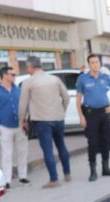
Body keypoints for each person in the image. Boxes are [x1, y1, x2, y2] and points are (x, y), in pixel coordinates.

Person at [18, 56, 71, 189]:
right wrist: (62, 111)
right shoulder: (55, 79)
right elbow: (66, 97)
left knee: (48, 150)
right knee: (61, 146)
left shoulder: (28, 83)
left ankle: (54, 179)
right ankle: (67, 173)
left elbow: (22, 105)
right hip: (58, 118)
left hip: (42, 121)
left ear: (30, 67)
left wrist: (22, 121)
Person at [76, 54, 110, 182]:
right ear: (88, 65)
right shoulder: (82, 79)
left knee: (106, 140)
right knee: (92, 142)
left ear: (99, 64)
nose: (95, 64)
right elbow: (78, 98)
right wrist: (81, 116)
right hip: (90, 114)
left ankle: (106, 168)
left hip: (104, 112)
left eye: (96, 62)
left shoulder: (105, 77)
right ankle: (93, 171)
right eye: (92, 62)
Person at [0, 66, 29, 188]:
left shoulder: (18, 89)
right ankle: (7, 181)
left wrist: (25, 121)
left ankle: (23, 177)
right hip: (4, 127)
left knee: (22, 152)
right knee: (7, 154)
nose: (14, 76)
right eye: (12, 74)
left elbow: (24, 106)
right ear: (4, 75)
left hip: (20, 125)